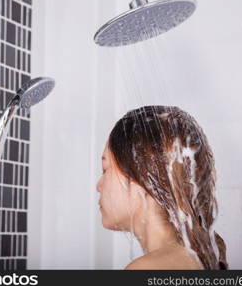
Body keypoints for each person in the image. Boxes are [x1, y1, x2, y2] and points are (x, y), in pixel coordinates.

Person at [96, 106, 228, 270]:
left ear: (141, 180)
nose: (98, 186)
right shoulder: (195, 257)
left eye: (105, 169)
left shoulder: (147, 269)